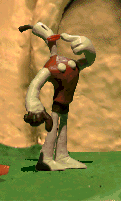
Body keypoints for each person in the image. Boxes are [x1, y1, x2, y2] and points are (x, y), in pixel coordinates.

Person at [19, 21, 96, 171]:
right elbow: (35, 86)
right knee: (54, 127)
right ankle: (46, 158)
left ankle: (62, 156)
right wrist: (34, 107)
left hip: (64, 106)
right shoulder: (51, 67)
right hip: (57, 106)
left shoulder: (70, 65)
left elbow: (88, 61)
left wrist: (89, 49)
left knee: (63, 127)